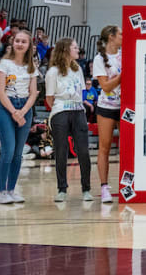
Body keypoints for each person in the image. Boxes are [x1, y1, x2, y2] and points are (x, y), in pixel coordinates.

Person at [0, 29, 38, 204]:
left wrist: (23, 111)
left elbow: (33, 93)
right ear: (12, 43)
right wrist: (14, 112)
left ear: (29, 46)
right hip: (6, 108)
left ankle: (12, 190)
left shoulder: (31, 67)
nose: (20, 44)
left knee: (18, 154)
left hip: (25, 107)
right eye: (17, 40)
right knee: (8, 151)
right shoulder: (4, 64)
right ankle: (1, 192)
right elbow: (0, 91)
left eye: (23, 41)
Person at [45, 38, 92, 202]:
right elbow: (49, 98)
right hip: (61, 111)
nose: (78, 49)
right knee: (61, 151)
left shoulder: (78, 68)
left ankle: (86, 189)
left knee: (84, 151)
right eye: (74, 47)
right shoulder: (52, 72)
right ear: (65, 49)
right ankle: (62, 189)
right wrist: (61, 109)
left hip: (78, 110)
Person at [92, 25, 122, 203]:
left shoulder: (126, 54)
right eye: (121, 34)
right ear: (111, 37)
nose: (123, 37)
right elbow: (106, 86)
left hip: (126, 107)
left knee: (127, 149)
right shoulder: (99, 59)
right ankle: (104, 188)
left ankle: (127, 186)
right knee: (105, 147)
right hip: (106, 106)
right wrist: (121, 76)